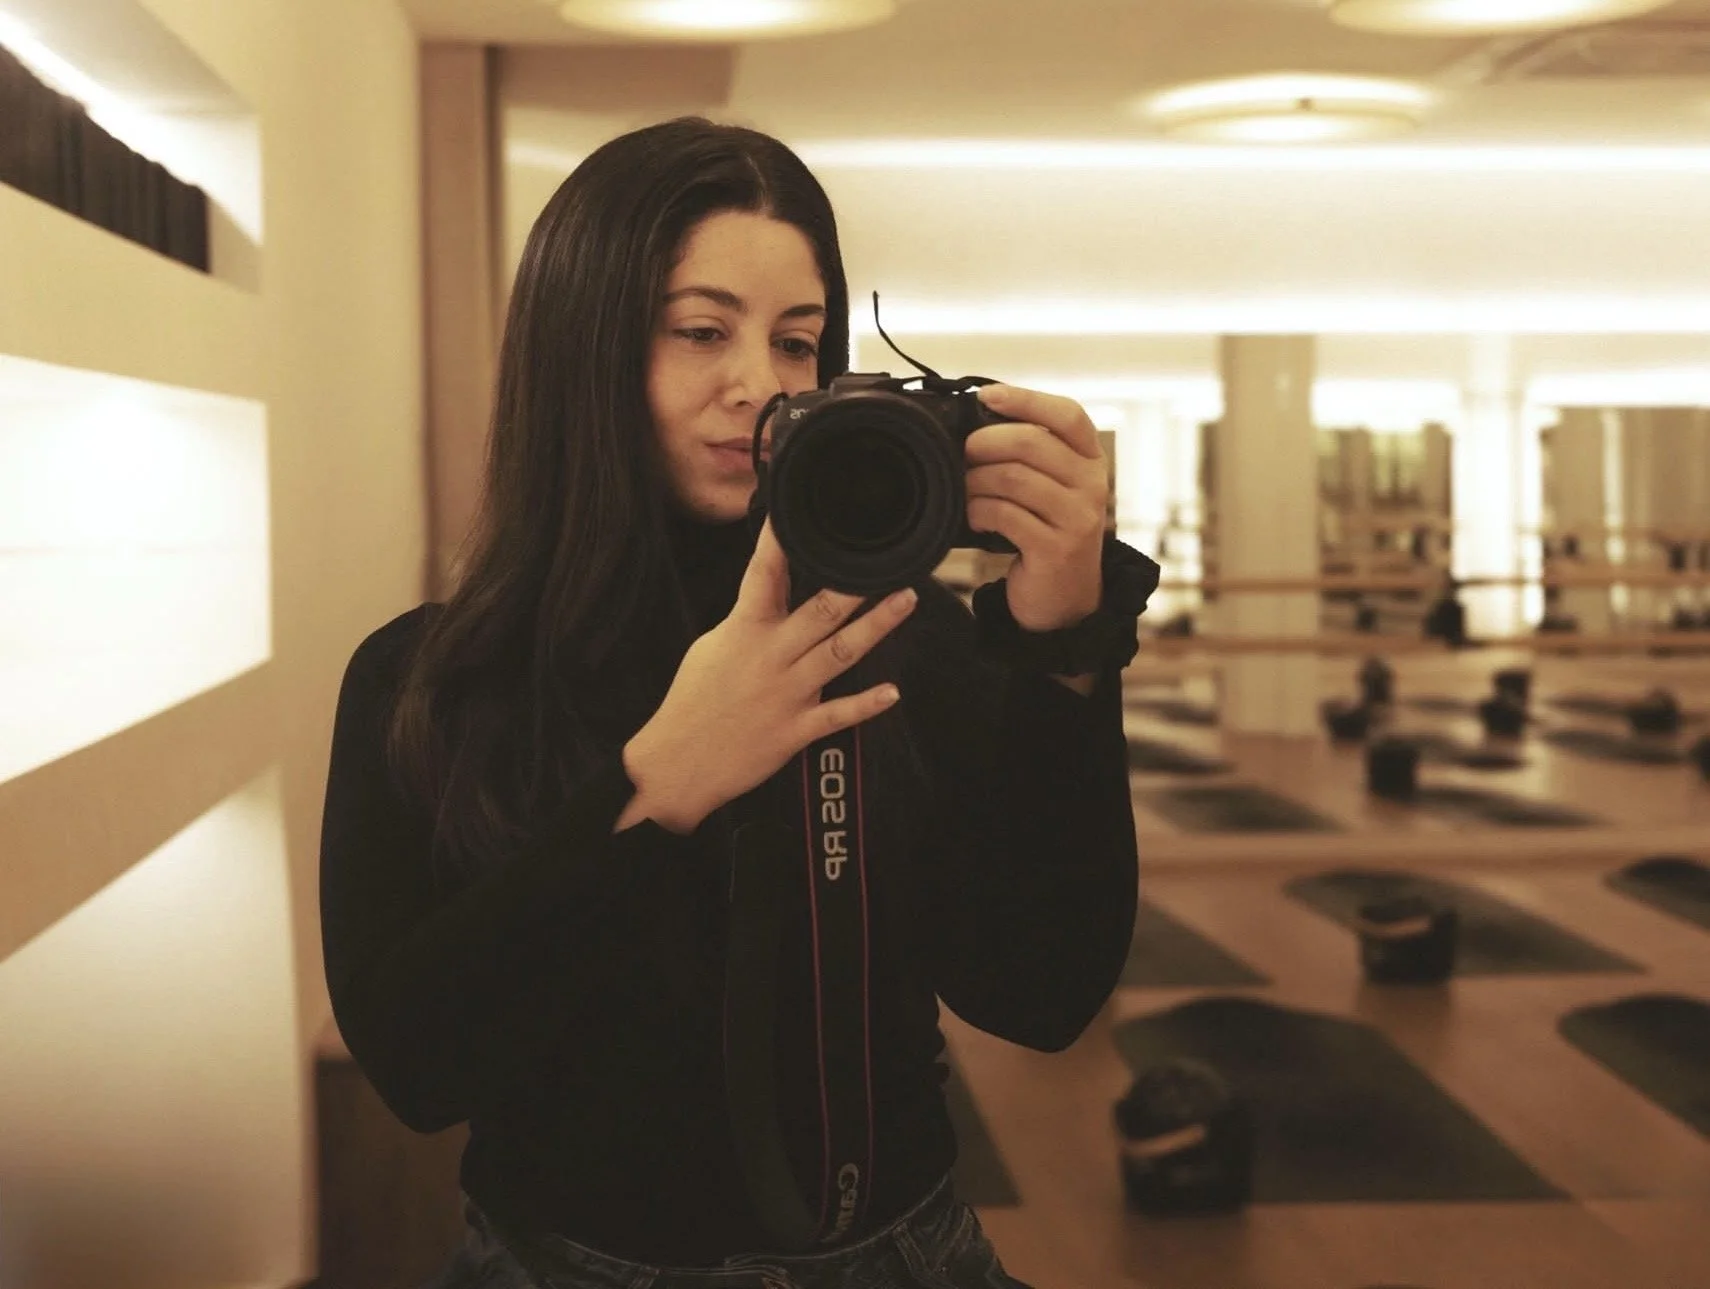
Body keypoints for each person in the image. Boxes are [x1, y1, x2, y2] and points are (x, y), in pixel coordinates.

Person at [318, 115, 1139, 1289]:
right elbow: (417, 1065)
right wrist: (658, 787)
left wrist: (1063, 651)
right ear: (582, 348)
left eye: (799, 342)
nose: (760, 386)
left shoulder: (900, 635)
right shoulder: (427, 681)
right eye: (702, 330)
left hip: (906, 1255)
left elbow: (1042, 991)